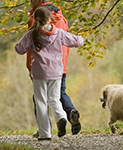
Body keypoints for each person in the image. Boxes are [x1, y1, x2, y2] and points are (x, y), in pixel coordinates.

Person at [15, 7, 84, 140]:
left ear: (36, 19)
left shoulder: (32, 34)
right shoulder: (58, 33)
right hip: (56, 71)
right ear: (50, 19)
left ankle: (45, 133)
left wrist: (27, 46)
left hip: (40, 73)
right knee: (54, 99)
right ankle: (62, 117)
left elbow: (19, 49)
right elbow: (77, 41)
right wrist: (81, 37)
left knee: (41, 101)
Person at [27, 0, 83, 135]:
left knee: (39, 99)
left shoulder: (35, 19)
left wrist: (29, 66)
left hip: (40, 66)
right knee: (58, 94)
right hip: (60, 63)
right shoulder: (61, 17)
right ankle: (70, 112)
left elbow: (29, 46)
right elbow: (70, 38)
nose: (30, 2)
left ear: (39, 0)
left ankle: (43, 131)